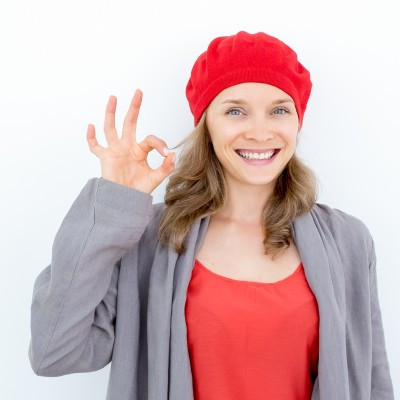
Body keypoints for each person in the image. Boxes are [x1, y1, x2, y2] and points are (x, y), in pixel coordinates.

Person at [28, 31, 394, 399]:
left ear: (297, 122)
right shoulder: (146, 237)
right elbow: (53, 354)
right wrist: (112, 206)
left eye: (279, 110)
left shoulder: (348, 241)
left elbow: (373, 380)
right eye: (236, 110)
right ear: (206, 124)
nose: (260, 131)